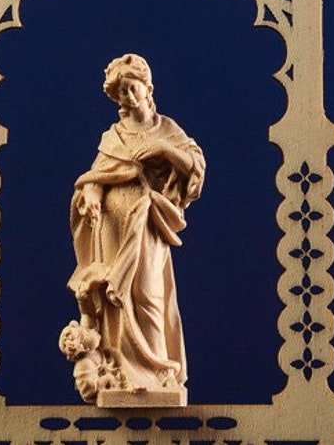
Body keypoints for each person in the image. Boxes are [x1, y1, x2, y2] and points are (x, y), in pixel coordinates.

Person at [59, 53, 205, 405]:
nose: (127, 97)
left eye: (132, 88)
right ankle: (121, 373)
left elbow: (195, 167)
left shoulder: (167, 129)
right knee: (114, 296)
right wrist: (92, 196)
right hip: (111, 221)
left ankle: (156, 372)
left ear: (148, 88)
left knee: (148, 294)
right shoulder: (113, 136)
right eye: (120, 92)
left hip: (148, 219)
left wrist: (164, 150)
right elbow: (96, 176)